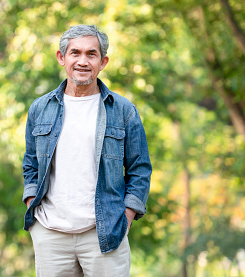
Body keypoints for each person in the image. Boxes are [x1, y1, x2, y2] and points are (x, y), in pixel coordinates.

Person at [22, 25, 152, 276]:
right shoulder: (40, 109)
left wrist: (125, 219)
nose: (83, 61)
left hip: (105, 233)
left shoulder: (123, 110)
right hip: (51, 234)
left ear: (103, 62)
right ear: (62, 58)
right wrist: (32, 207)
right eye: (75, 53)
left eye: (91, 54)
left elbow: (140, 169)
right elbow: (30, 164)